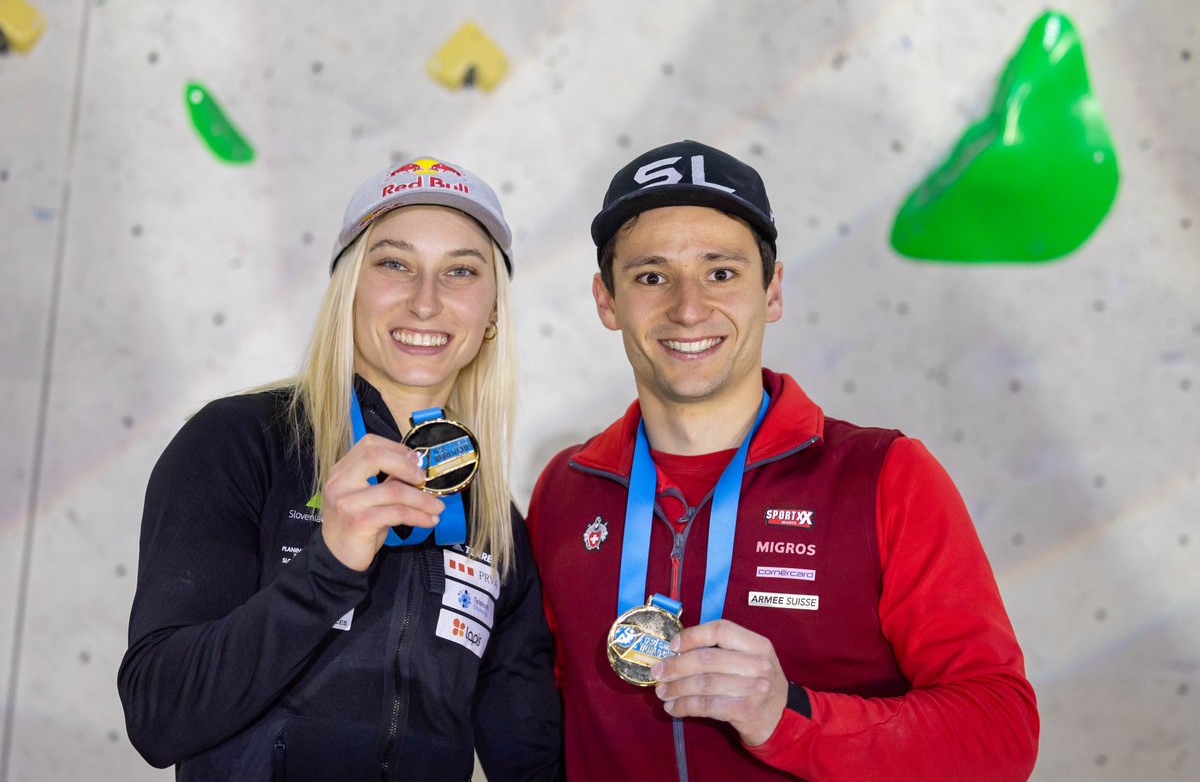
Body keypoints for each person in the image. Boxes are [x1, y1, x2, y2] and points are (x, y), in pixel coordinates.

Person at [527, 139, 1039, 781]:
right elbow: (536, 715)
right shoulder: (567, 490)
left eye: (721, 272)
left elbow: (1000, 733)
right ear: (606, 300)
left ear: (772, 290)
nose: (688, 309)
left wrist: (786, 715)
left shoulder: (886, 475)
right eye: (652, 276)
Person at [118, 156, 561, 781]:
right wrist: (328, 569)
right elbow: (158, 714)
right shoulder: (242, 441)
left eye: (460, 271)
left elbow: (531, 758)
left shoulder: (494, 518)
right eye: (394, 263)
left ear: (491, 313)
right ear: (349, 287)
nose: (426, 301)